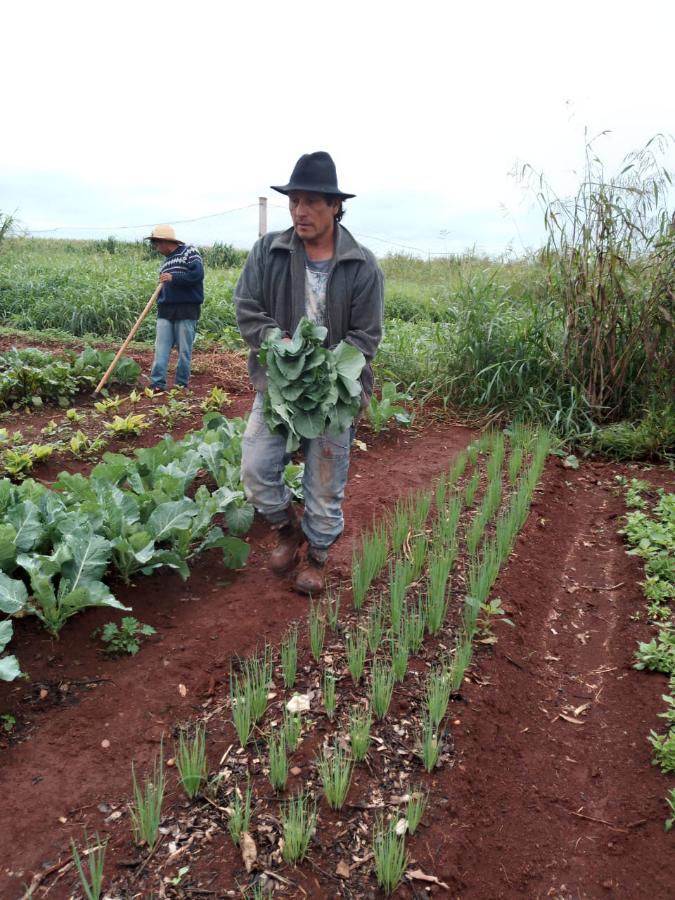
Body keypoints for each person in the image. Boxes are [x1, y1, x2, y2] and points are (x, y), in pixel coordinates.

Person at [234, 151, 384, 595]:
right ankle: (287, 530)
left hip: (335, 395)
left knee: (324, 479)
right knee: (257, 469)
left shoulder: (362, 265)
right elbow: (247, 308)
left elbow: (366, 335)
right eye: (294, 201)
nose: (300, 211)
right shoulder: (270, 251)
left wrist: (324, 370)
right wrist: (277, 345)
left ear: (335, 205)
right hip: (279, 385)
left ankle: (317, 556)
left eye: (312, 202)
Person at [144, 224, 204, 390]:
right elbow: (165, 288)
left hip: (186, 309)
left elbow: (197, 275)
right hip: (166, 310)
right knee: (161, 348)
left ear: (164, 242)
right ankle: (157, 383)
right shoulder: (165, 264)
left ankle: (180, 385)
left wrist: (174, 277)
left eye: (157, 244)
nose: (156, 248)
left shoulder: (189, 252)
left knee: (184, 351)